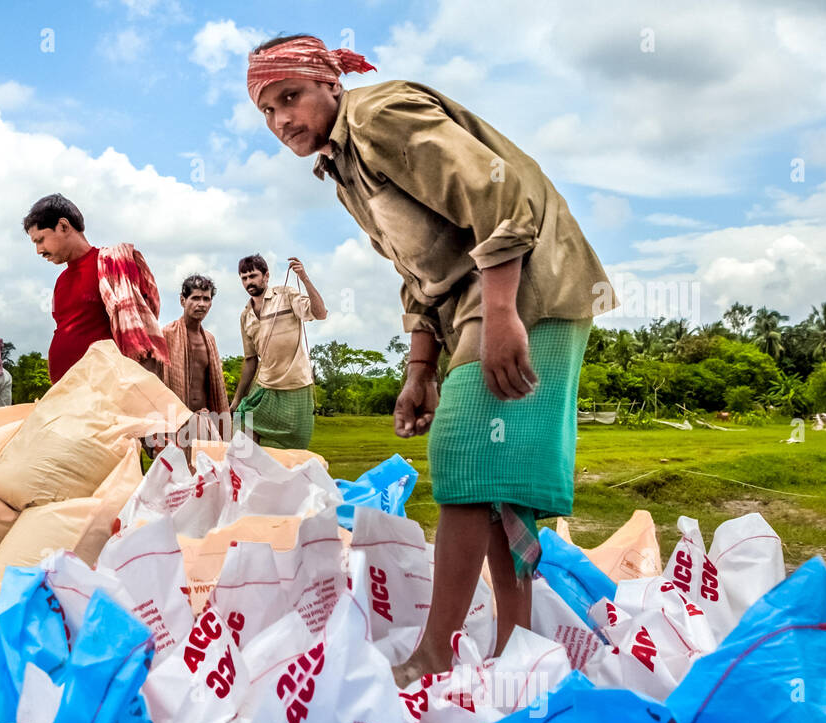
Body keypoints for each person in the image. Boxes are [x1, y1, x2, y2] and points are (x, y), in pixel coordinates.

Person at [246, 35, 615, 677]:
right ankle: (515, 652)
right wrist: (419, 369)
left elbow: (500, 198)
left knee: (464, 454)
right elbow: (420, 271)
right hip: (479, 298)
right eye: (267, 110)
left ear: (331, 85)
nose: (282, 121)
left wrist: (502, 314)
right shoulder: (344, 170)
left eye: (291, 97)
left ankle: (435, 654)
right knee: (501, 489)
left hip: (531, 288)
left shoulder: (379, 116)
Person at [22, 193, 168, 383]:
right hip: (67, 395)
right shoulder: (61, 281)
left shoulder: (113, 265)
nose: (38, 250)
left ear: (64, 226)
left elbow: (142, 336)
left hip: (107, 392)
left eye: (40, 240)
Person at [230, 253, 327, 449]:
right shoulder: (245, 315)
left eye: (253, 276)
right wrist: (237, 399)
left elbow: (320, 313)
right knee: (241, 424)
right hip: (266, 385)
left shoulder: (285, 295)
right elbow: (250, 360)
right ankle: (250, 476)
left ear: (266, 276)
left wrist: (305, 279)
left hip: (296, 384)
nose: (249, 281)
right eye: (244, 278)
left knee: (295, 444)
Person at [161, 275, 231, 445]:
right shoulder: (166, 335)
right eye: (195, 298)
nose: (201, 304)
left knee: (210, 468)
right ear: (182, 300)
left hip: (205, 419)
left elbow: (214, 385)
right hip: (174, 420)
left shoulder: (209, 340)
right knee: (175, 471)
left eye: (206, 299)